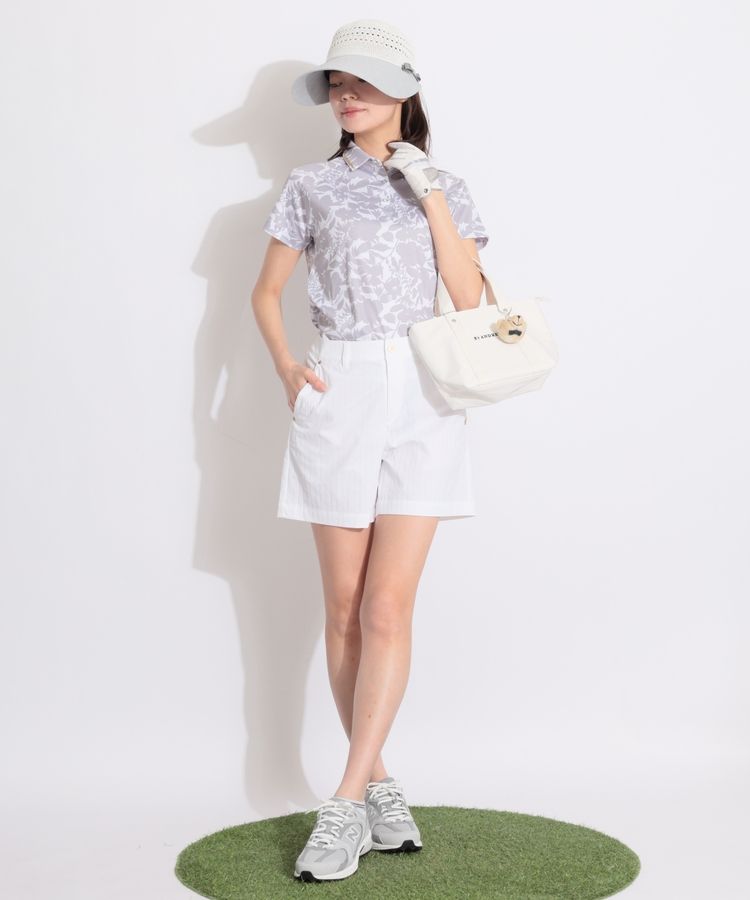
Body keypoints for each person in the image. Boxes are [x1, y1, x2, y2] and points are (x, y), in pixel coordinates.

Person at [251, 18, 489, 883]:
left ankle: (345, 801)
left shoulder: (446, 185)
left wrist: (426, 189)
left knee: (389, 609)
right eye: (336, 85)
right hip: (341, 383)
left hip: (425, 391)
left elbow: (469, 297)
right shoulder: (311, 185)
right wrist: (289, 367)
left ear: (404, 91)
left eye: (363, 83)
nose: (346, 96)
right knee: (346, 608)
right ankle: (381, 784)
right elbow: (266, 291)